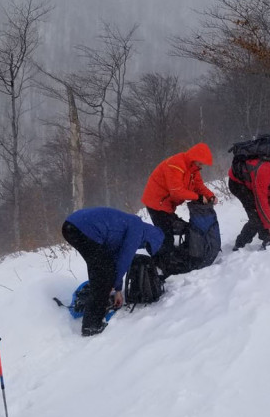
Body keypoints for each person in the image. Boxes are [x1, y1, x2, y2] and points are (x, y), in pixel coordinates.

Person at [62, 207, 165, 336]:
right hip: (83, 229)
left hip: (71, 226)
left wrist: (117, 290)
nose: (143, 247)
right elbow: (124, 259)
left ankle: (94, 304)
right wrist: (112, 284)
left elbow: (114, 259)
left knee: (100, 268)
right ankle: (91, 326)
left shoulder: (129, 226)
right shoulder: (137, 229)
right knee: (104, 274)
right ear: (151, 238)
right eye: (147, 245)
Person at [141, 142, 216, 241]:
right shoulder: (176, 165)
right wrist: (198, 197)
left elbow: (198, 185)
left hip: (167, 204)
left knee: (178, 229)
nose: (201, 166)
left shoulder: (193, 168)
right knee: (166, 236)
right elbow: (176, 191)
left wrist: (210, 196)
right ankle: (160, 252)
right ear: (194, 158)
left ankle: (171, 252)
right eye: (200, 163)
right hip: (156, 203)